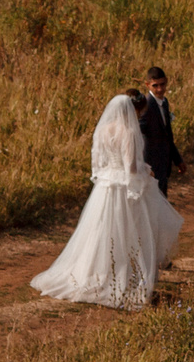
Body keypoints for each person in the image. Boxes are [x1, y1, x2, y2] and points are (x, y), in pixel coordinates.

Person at [30, 90, 184, 308]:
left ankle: (94, 274)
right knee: (129, 232)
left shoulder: (102, 130)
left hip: (105, 187)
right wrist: (147, 171)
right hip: (123, 188)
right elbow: (131, 168)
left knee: (101, 231)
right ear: (133, 110)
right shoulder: (129, 132)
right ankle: (122, 277)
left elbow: (99, 162)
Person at [134, 65, 186, 194]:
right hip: (150, 165)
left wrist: (177, 160)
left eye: (162, 84)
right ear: (147, 85)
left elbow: (167, 135)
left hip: (163, 164)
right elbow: (136, 132)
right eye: (155, 85)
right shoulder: (146, 106)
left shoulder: (164, 102)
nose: (160, 89)